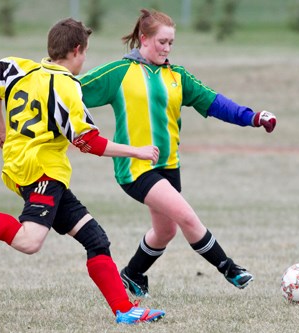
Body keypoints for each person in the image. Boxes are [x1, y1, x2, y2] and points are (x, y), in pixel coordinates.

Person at [0, 18, 165, 325]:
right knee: (29, 242)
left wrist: (0, 128)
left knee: (96, 239)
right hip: (42, 172)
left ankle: (124, 310)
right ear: (76, 50)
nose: (84, 60)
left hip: (25, 166)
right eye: (85, 53)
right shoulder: (66, 86)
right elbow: (87, 142)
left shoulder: (17, 68)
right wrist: (137, 151)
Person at [78, 9, 277, 297]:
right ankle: (230, 269)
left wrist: (253, 117)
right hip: (135, 167)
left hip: (169, 165)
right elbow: (71, 90)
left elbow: (213, 102)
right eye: (162, 42)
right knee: (186, 216)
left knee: (165, 232)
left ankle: (132, 274)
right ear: (143, 39)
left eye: (171, 43)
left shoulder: (176, 76)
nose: (167, 48)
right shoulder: (119, 73)